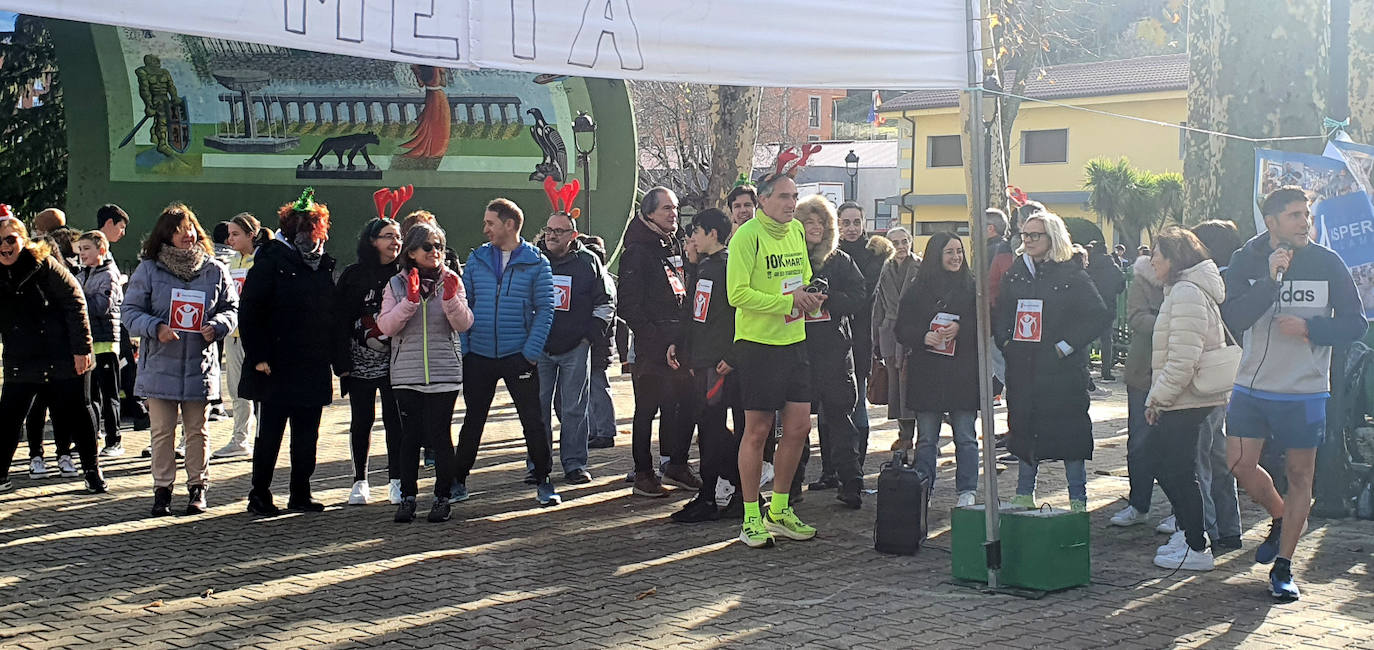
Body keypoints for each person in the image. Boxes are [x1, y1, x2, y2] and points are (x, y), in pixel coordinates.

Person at [1221, 186, 1367, 601]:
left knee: (1301, 476)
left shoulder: (1327, 262)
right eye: (1295, 216)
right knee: (1239, 464)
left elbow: (1355, 325)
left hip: (1304, 391)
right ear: (1271, 223)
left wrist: (1310, 329)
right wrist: (1269, 281)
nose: (1305, 223)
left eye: (1308, 215)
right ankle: (1282, 516)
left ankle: (1284, 567)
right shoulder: (1245, 260)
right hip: (1251, 386)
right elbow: (1233, 317)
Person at [727, 172, 824, 548]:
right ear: (763, 201)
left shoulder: (797, 231)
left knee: (799, 427)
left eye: (795, 196)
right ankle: (750, 514)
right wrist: (787, 302)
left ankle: (780, 509)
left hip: (795, 341)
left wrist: (811, 294)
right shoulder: (747, 236)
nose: (791, 204)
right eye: (784, 196)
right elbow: (737, 293)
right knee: (757, 431)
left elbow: (802, 276)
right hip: (758, 344)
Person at [122, 204, 238, 515]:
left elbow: (231, 308)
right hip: (159, 364)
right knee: (161, 431)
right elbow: (129, 312)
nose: (186, 235)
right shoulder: (149, 269)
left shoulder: (215, 269)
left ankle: (198, 488)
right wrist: (155, 327)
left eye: (189, 228)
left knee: (197, 430)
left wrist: (217, 327)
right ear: (165, 236)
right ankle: (162, 490)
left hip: (198, 365)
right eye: (177, 230)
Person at [994, 211, 1111, 512]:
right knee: (1023, 428)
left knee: (1069, 434)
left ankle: (1077, 498)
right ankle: (1023, 492)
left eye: (1035, 235)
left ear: (1052, 237)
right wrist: (1006, 341)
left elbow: (1096, 314)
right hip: (1024, 367)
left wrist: (1064, 347)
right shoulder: (1017, 271)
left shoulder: (1071, 274)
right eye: (1025, 234)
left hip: (1061, 371)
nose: (1028, 240)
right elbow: (1003, 312)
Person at [239, 189, 344, 516]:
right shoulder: (270, 260)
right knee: (269, 432)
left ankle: (301, 492)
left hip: (312, 363)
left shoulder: (324, 265)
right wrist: (258, 356)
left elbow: (332, 316)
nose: (308, 236)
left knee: (307, 435)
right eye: (300, 229)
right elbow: (250, 311)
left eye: (313, 229)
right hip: (275, 364)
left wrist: (337, 360)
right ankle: (260, 493)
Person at [452, 198, 561, 506]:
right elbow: (465, 304)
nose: (485, 229)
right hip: (480, 356)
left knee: (533, 421)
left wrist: (530, 352)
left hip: (519, 356)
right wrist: (468, 347)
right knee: (473, 419)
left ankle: (544, 480)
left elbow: (546, 309)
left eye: (491, 223)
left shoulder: (537, 261)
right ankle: (458, 480)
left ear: (510, 225)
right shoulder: (476, 259)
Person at [1142, 226, 1231, 571]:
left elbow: (1183, 358)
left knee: (1174, 469)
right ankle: (1189, 533)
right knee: (1169, 466)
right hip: (1184, 396)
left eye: (1157, 254)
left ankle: (1196, 543)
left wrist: (1157, 399)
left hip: (1187, 397)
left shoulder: (1186, 293)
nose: (1151, 261)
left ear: (1174, 258)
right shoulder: (1180, 290)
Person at [0, 215, 106, 494]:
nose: (5, 246)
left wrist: (82, 349)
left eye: (11, 239)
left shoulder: (44, 264)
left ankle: (92, 472)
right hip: (22, 358)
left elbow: (75, 301)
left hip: (62, 353)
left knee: (79, 412)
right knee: (8, 417)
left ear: (23, 239)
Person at [376, 222, 473, 522]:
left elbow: (465, 323)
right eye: (428, 247)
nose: (435, 253)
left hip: (444, 372)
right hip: (407, 374)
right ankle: (408, 497)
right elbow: (386, 326)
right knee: (411, 437)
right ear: (413, 252)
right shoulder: (396, 285)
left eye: (440, 247)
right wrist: (410, 302)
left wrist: (450, 301)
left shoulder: (452, 280)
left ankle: (442, 497)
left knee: (441, 436)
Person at [618, 187, 701, 497]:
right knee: (646, 410)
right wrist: (655, 340)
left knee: (684, 404)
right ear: (649, 213)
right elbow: (628, 307)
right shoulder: (637, 252)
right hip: (653, 349)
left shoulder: (674, 245)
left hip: (679, 342)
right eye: (667, 208)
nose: (673, 214)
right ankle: (643, 472)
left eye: (675, 208)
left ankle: (677, 464)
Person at [668, 208, 743, 522]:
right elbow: (695, 311)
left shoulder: (727, 266)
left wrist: (731, 354)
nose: (691, 238)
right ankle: (731, 489)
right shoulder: (704, 266)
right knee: (708, 427)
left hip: (717, 363)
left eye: (696, 232)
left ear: (713, 233)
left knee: (712, 430)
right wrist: (679, 342)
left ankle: (723, 492)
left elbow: (738, 313)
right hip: (701, 360)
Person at [793, 195, 867, 508]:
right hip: (797, 348)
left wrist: (829, 298)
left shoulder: (839, 260)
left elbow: (859, 295)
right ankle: (792, 483)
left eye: (820, 223)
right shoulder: (789, 258)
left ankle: (850, 482)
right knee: (796, 422)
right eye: (808, 222)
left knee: (840, 418)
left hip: (835, 350)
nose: (815, 228)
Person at [897, 232, 981, 507]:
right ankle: (924, 486)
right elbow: (901, 328)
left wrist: (962, 328)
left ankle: (967, 489)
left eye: (959, 251)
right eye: (949, 252)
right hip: (928, 372)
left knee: (966, 435)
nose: (956, 257)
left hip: (962, 372)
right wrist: (923, 336)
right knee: (927, 438)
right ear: (936, 255)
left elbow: (985, 323)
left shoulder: (971, 287)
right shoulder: (918, 288)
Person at [535, 209, 614, 484]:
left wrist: (589, 337)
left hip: (576, 348)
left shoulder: (588, 262)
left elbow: (605, 302)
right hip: (539, 348)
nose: (552, 236)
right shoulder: (534, 260)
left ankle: (574, 464)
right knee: (537, 407)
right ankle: (538, 465)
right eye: (549, 230)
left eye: (559, 231)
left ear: (573, 235)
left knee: (574, 408)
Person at [335, 216, 405, 505]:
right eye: (388, 236)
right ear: (372, 241)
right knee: (361, 420)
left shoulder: (405, 273)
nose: (395, 242)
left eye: (398, 236)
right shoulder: (353, 275)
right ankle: (360, 481)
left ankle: (397, 481)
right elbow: (338, 320)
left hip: (397, 362)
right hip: (359, 361)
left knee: (395, 421)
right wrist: (340, 363)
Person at [1188, 219, 1245, 550]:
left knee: (1200, 457)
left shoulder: (1202, 282)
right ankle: (1229, 527)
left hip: (1207, 376)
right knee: (1219, 456)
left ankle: (1205, 530)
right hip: (1232, 375)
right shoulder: (1236, 277)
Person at [1111, 233, 1171, 530]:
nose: (1156, 259)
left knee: (1178, 444)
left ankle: (1180, 508)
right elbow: (1136, 318)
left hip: (1179, 371)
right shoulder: (1141, 280)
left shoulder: (1190, 282)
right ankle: (1139, 504)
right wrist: (1171, 321)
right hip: (1143, 371)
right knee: (1140, 441)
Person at [831, 202, 893, 476]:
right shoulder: (829, 252)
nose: (852, 228)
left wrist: (834, 297)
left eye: (856, 222)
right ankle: (831, 469)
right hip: (831, 337)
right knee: (829, 406)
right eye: (846, 222)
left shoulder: (875, 255)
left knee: (857, 404)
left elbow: (864, 294)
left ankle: (855, 465)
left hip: (862, 337)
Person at [213, 213, 261, 459]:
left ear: (251, 235)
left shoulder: (261, 260)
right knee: (237, 389)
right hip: (233, 334)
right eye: (229, 234)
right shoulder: (230, 263)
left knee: (260, 390)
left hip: (256, 336)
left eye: (235, 234)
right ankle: (240, 439)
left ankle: (262, 440)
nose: (230, 239)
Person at [75, 231, 125, 458]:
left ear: (101, 250)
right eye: (80, 249)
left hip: (105, 343)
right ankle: (91, 436)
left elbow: (101, 305)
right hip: (89, 344)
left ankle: (114, 440)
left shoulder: (109, 274)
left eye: (87, 248)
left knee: (109, 394)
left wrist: (79, 298)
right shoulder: (82, 274)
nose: (82, 253)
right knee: (90, 396)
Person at [872, 226, 919, 450]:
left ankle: (926, 435)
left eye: (904, 241)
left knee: (913, 383)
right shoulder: (883, 269)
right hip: (890, 331)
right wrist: (876, 337)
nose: (901, 247)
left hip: (915, 332)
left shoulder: (921, 267)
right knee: (896, 387)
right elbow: (878, 305)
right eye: (896, 242)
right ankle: (905, 434)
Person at [580, 234, 619, 450]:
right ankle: (596, 430)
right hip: (598, 343)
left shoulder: (602, 280)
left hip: (598, 343)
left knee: (598, 387)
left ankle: (604, 431)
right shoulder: (603, 278)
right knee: (592, 389)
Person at [984, 208, 1015, 404]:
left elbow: (990, 286)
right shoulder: (1003, 248)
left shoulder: (994, 251)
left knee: (1000, 364)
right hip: (1000, 316)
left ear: (990, 228)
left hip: (995, 317)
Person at [1087, 241, 1126, 381]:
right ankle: (1106, 371)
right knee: (1106, 340)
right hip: (1108, 305)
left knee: (1086, 339)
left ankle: (1086, 369)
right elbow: (1122, 285)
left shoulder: (1089, 266)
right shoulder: (1113, 267)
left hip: (1091, 306)